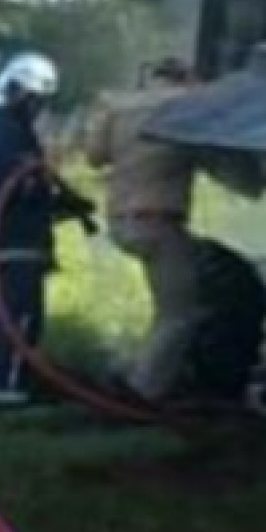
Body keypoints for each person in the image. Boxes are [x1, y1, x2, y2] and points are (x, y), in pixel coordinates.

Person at [0, 52, 95, 407]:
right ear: (18, 91)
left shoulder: (8, 130)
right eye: (36, 99)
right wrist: (59, 201)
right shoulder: (7, 132)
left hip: (5, 237)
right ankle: (7, 389)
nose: (39, 107)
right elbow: (22, 186)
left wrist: (70, 203)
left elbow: (32, 182)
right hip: (15, 239)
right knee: (19, 317)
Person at [85, 58, 203, 402]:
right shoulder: (187, 104)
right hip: (160, 221)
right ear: (182, 78)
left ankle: (138, 372)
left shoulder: (118, 106)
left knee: (167, 309)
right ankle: (143, 391)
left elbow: (95, 156)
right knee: (180, 313)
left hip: (122, 221)